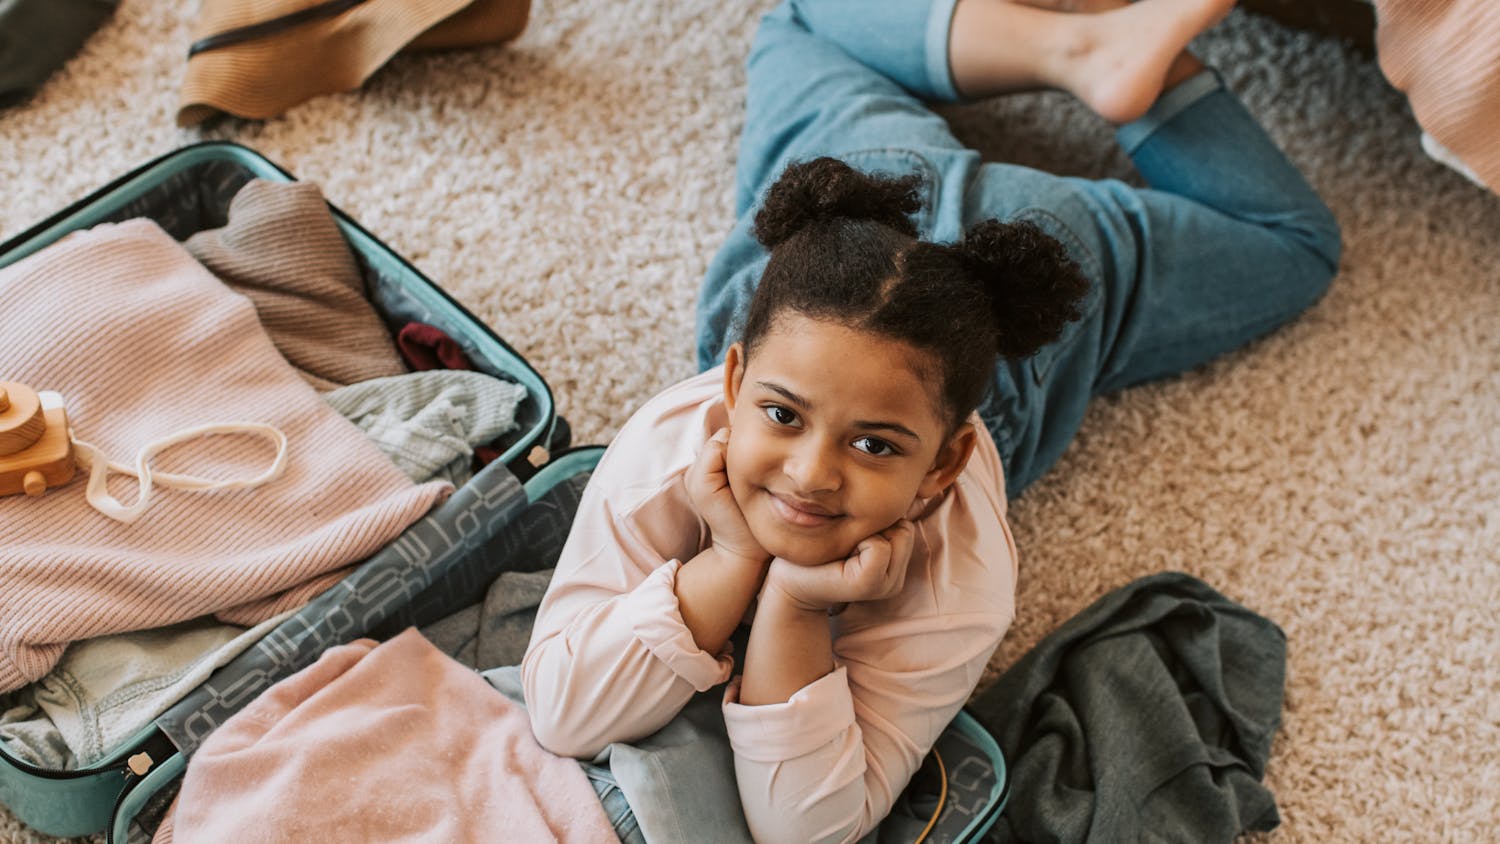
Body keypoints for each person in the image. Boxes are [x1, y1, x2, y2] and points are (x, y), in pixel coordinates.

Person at [524, 0, 1340, 842]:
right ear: (732, 384)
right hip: (862, 186)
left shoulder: (963, 573)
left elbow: (808, 831)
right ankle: (1078, 44)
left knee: (1300, 248)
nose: (810, 474)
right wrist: (732, 560)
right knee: (792, 17)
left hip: (1054, 242)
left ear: (946, 464)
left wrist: (794, 603)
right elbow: (562, 712)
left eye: (874, 444)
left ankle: (1104, 54)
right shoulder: (666, 447)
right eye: (781, 414)